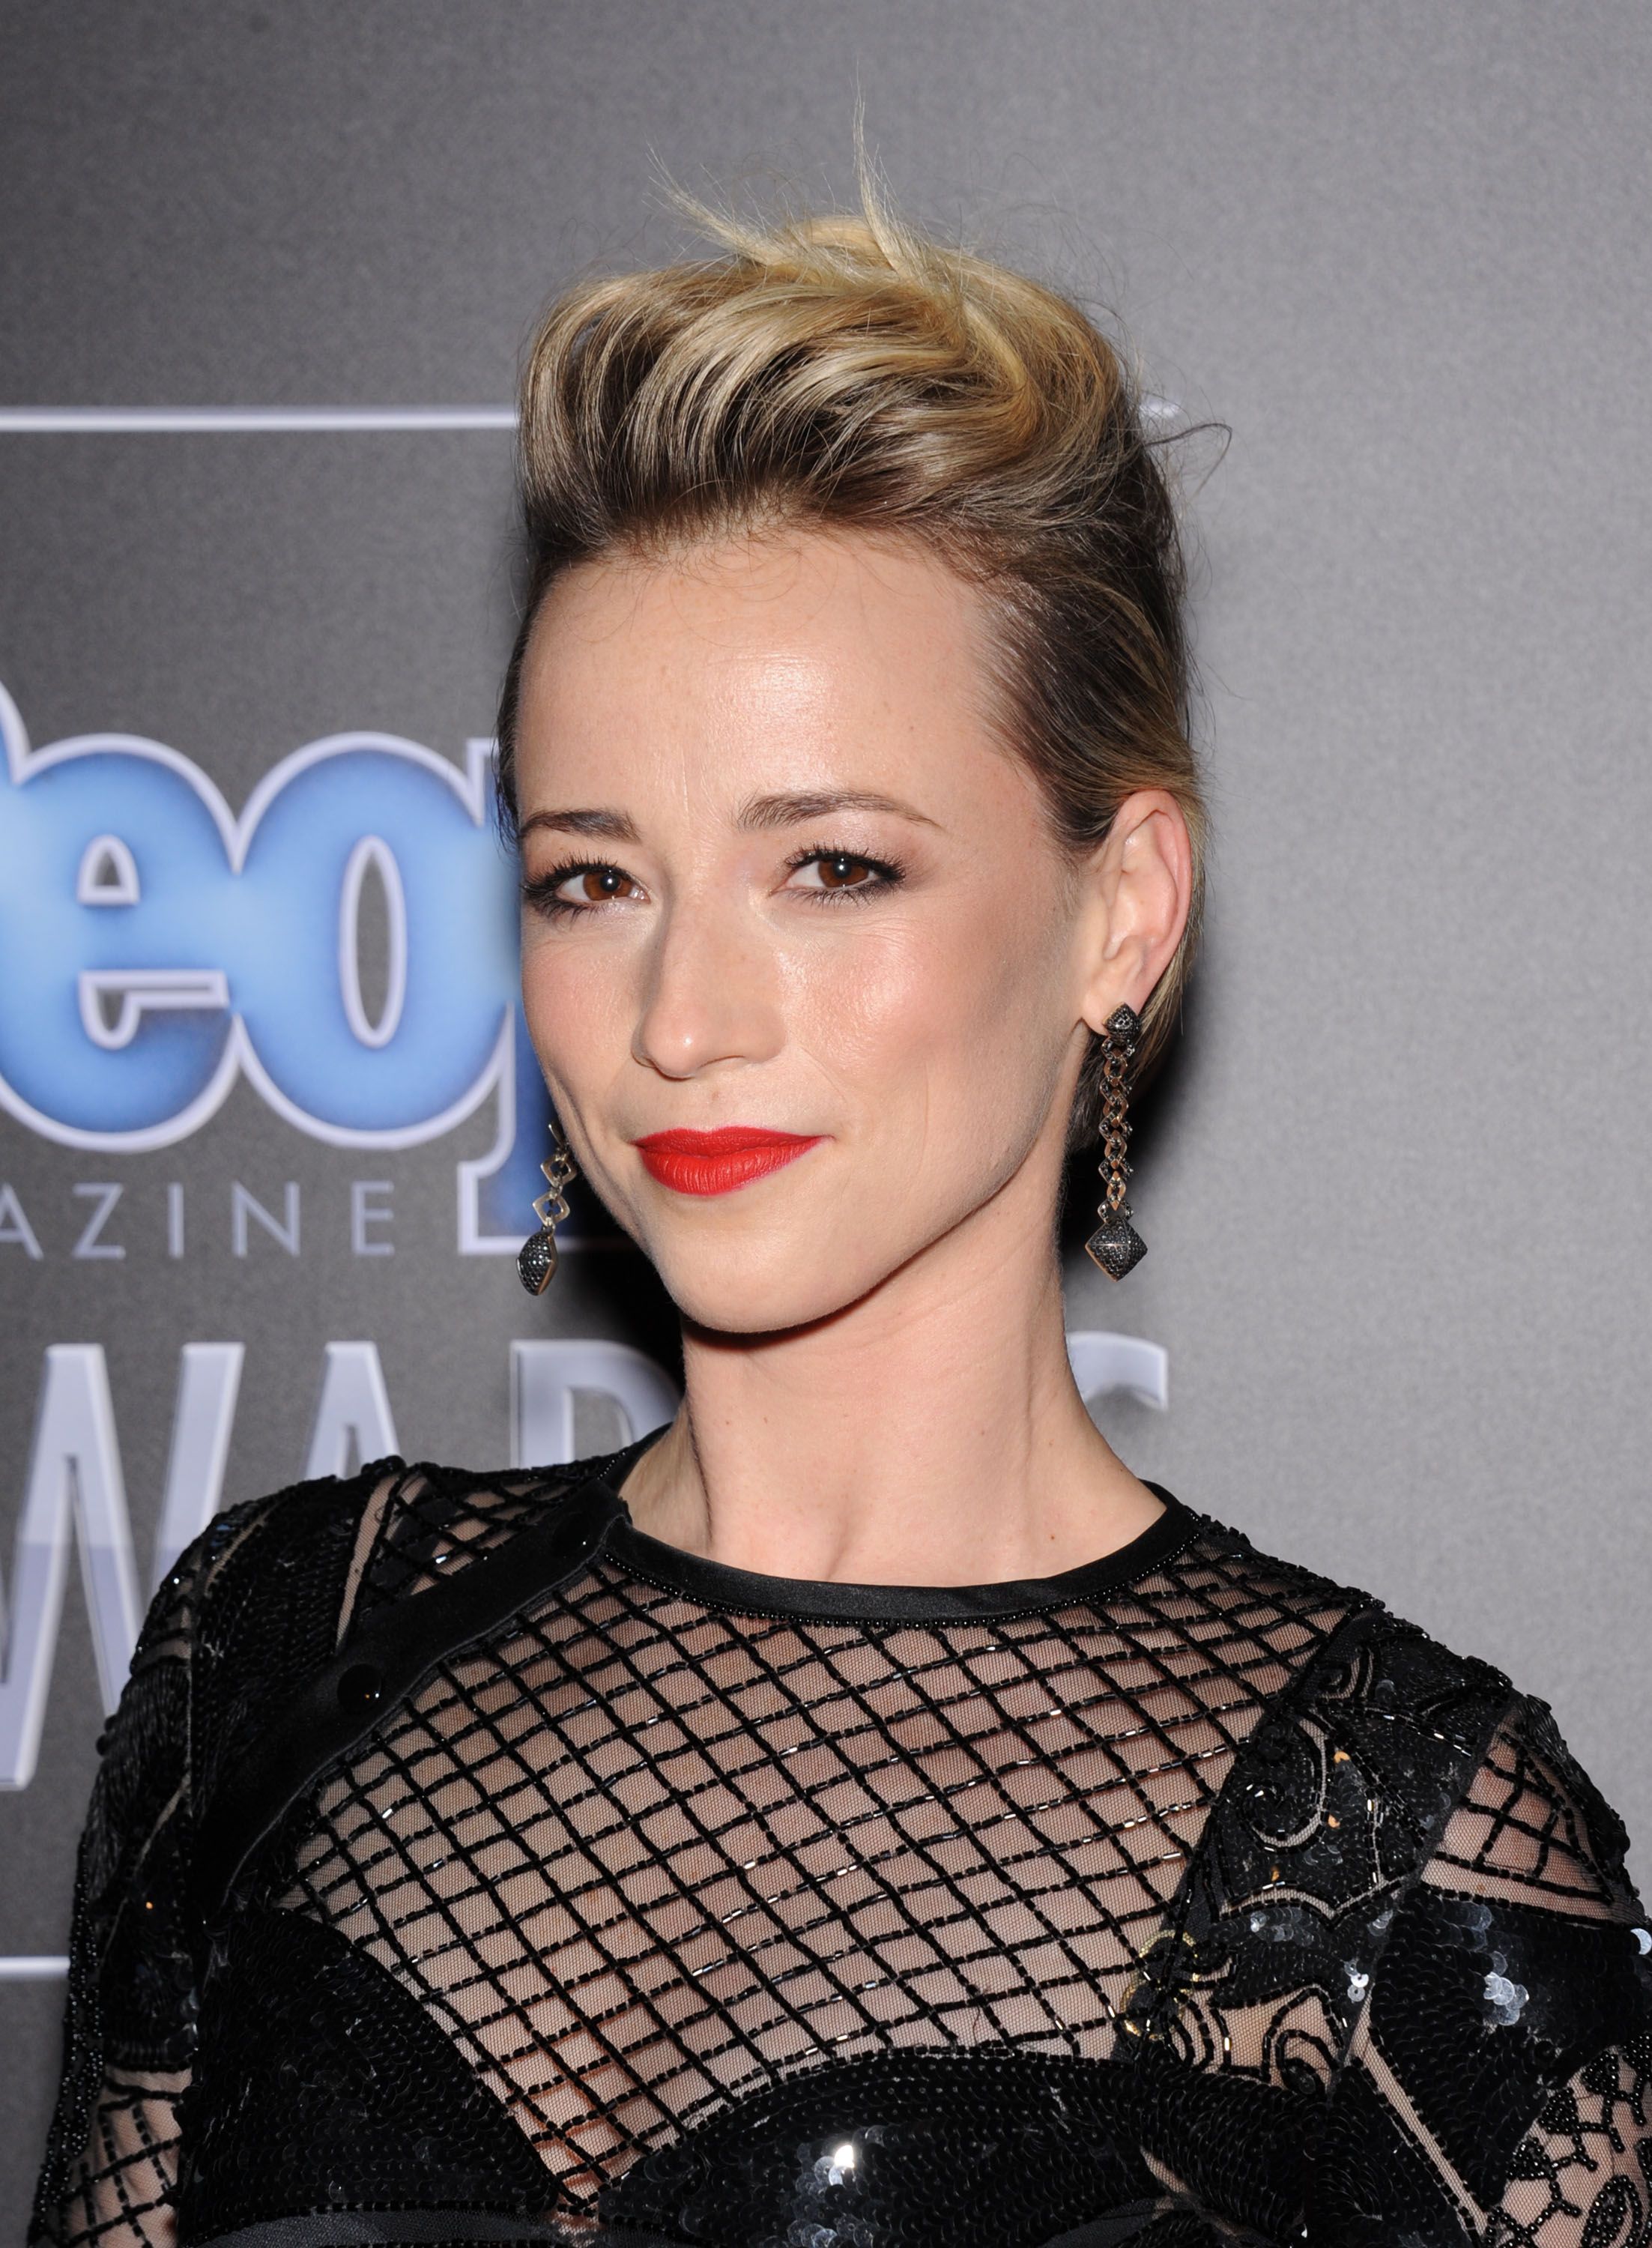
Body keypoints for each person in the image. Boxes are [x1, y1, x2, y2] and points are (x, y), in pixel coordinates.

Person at [29, 184, 1651, 2248]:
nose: (680, 1020)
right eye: (592, 880)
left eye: (834, 870)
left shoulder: (1397, 1843)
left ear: (1123, 910)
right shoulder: (279, 1643)